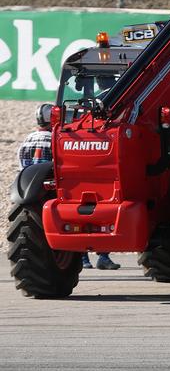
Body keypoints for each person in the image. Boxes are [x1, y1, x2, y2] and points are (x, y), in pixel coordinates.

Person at [18, 107, 120, 271]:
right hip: (53, 188)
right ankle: (101, 256)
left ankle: (84, 259)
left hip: (30, 191)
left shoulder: (27, 140)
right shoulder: (55, 139)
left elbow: (22, 167)